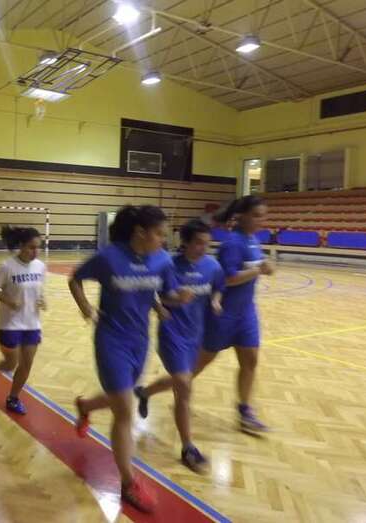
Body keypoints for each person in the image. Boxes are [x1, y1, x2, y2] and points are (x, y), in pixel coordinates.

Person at [68, 205, 192, 513]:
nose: (164, 240)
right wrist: (85, 307)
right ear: (140, 232)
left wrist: (174, 300)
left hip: (140, 341)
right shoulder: (109, 257)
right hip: (111, 340)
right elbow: (75, 278)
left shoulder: (162, 260)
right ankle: (128, 483)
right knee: (124, 410)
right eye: (160, 234)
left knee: (119, 398)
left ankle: (86, 406)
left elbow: (164, 293)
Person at [134, 219, 224, 473]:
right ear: (185, 242)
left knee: (181, 381)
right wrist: (167, 304)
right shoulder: (168, 265)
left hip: (196, 335)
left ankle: (145, 393)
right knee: (184, 385)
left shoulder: (212, 266)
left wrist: (216, 301)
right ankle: (188, 448)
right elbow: (152, 293)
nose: (203, 248)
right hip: (172, 334)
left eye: (207, 243)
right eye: (198, 243)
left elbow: (218, 287)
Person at [200, 195, 274, 433]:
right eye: (256, 215)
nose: (261, 220)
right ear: (241, 216)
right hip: (224, 314)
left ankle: (245, 412)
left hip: (246, 313)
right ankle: (167, 387)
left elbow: (256, 266)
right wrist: (259, 270)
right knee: (200, 362)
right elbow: (228, 279)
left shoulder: (253, 240)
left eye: (263, 216)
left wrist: (265, 266)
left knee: (250, 360)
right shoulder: (232, 243)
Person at [0, 226, 46, 415]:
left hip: (32, 323)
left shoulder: (40, 266)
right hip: (10, 324)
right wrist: (9, 301)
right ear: (22, 246)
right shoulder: (7, 266)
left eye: (38, 247)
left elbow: (38, 290)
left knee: (26, 364)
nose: (35, 251)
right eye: (31, 247)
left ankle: (13, 398)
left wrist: (42, 300)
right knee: (11, 363)